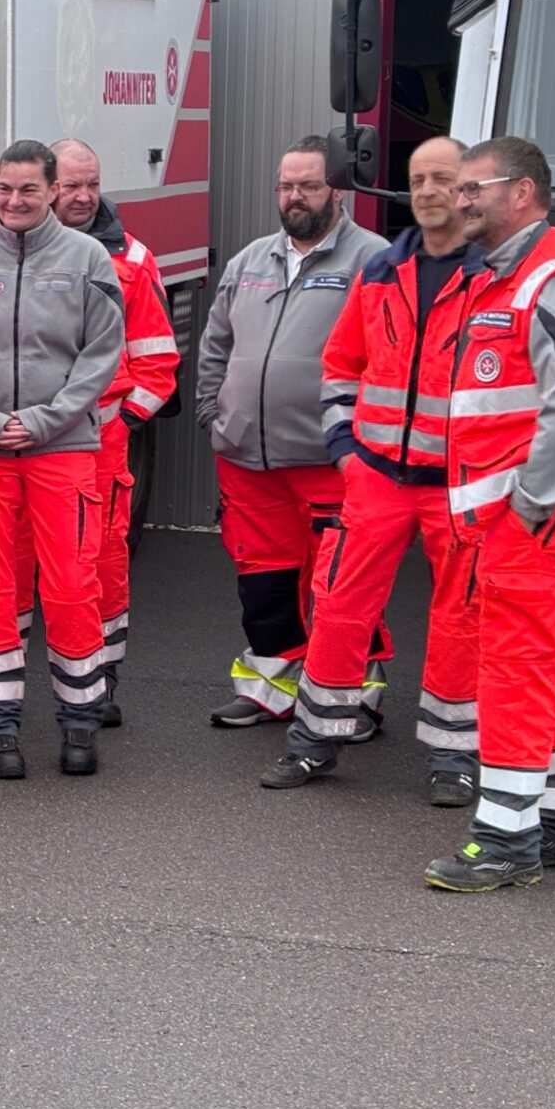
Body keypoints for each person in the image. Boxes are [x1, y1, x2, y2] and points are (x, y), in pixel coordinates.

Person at [261, 136, 483, 804]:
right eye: (418, 179)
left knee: (460, 619)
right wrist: (347, 454)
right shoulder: (383, 270)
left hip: (460, 485)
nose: (429, 191)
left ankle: (453, 757)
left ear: (468, 189)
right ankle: (315, 741)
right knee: (339, 607)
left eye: (443, 178)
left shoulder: (497, 275)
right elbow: (342, 367)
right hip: (378, 478)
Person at [423, 137, 555, 891]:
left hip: (536, 518)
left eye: (473, 187)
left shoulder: (554, 279)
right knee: (549, 664)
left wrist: (527, 508)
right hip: (520, 517)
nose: (457, 199)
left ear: (522, 192)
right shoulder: (508, 277)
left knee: (515, 674)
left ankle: (504, 840)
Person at [0, 139, 126, 779]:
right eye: (5, 189)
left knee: (71, 586)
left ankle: (79, 723)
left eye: (29, 190)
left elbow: (101, 357)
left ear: (51, 191)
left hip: (62, 448)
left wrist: (41, 421)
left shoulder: (88, 258)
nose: (15, 201)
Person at [195, 136, 390, 727]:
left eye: (307, 185)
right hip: (247, 457)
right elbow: (216, 344)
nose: (294, 197)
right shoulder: (251, 260)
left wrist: (362, 441)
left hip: (329, 458)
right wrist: (214, 411)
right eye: (285, 185)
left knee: (342, 584)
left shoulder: (374, 260)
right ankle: (269, 688)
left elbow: (391, 358)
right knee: (264, 581)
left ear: (336, 187)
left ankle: (351, 698)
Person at [11, 138, 179, 727]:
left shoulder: (132, 260)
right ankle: (0, 690)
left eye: (93, 185)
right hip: (16, 445)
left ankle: (98, 682)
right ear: (48, 185)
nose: (83, 197)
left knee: (97, 568)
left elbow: (158, 363)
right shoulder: (5, 252)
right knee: (8, 566)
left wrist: (121, 423)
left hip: (98, 447)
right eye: (70, 185)